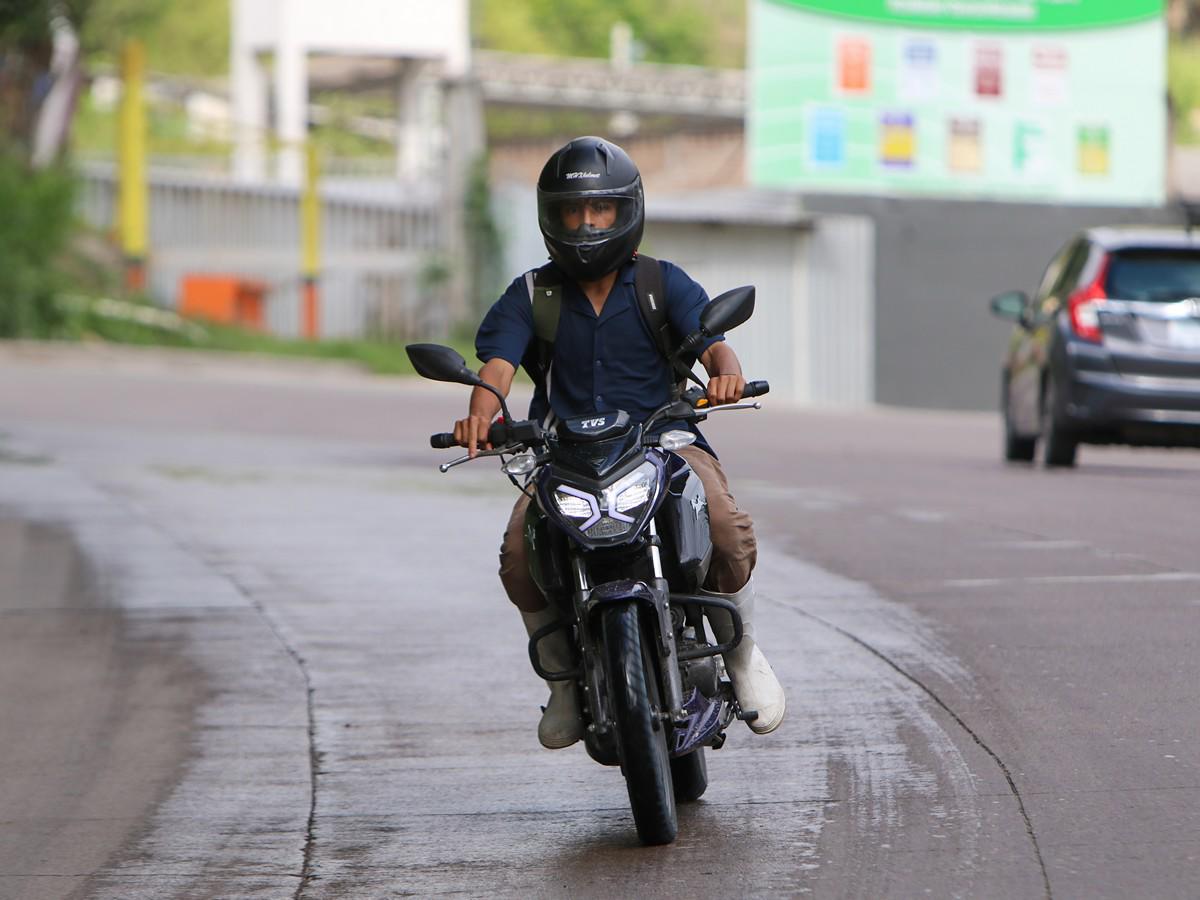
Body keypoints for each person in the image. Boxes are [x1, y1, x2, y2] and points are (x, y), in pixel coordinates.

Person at [453, 136, 785, 749]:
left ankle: (741, 657)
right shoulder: (533, 295)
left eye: (600, 209)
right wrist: (479, 414)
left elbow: (714, 343)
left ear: (625, 211)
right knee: (519, 554)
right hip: (564, 454)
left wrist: (725, 374)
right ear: (550, 217)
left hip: (665, 439)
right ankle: (562, 683)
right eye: (572, 212)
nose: (586, 224)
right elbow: (496, 369)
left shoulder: (660, 282)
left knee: (722, 523)